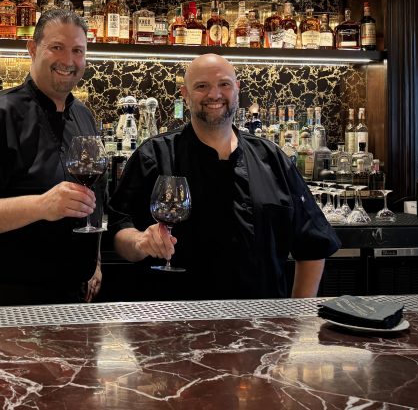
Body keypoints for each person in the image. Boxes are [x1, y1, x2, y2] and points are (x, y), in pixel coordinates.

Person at [108, 54, 340, 300]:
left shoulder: (271, 158)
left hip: (260, 328)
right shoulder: (153, 154)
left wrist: (296, 316)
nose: (214, 95)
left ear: (237, 89)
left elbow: (313, 244)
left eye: (224, 84)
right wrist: (141, 241)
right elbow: (119, 232)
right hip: (173, 323)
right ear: (184, 94)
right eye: (201, 86)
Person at [0, 8, 103, 307]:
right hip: (1, 299)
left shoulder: (84, 117)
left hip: (71, 298)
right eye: (57, 47)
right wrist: (41, 205)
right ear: (32, 48)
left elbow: (91, 201)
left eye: (78, 51)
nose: (68, 61)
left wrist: (94, 262)